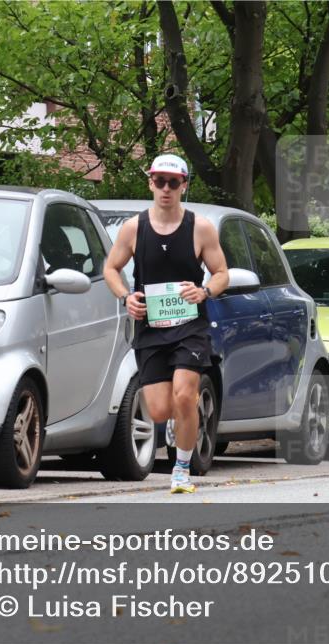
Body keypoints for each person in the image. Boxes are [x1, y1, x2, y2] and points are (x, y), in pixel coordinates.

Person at [104, 154, 229, 492]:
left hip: (190, 326)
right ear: (150, 183)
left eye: (173, 182)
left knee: (186, 395)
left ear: (184, 185)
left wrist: (203, 292)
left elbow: (222, 274)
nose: (166, 188)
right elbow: (110, 269)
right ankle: (178, 423)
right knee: (160, 411)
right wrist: (126, 297)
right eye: (159, 181)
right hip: (151, 328)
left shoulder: (200, 227)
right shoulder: (134, 228)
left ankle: (182, 470)